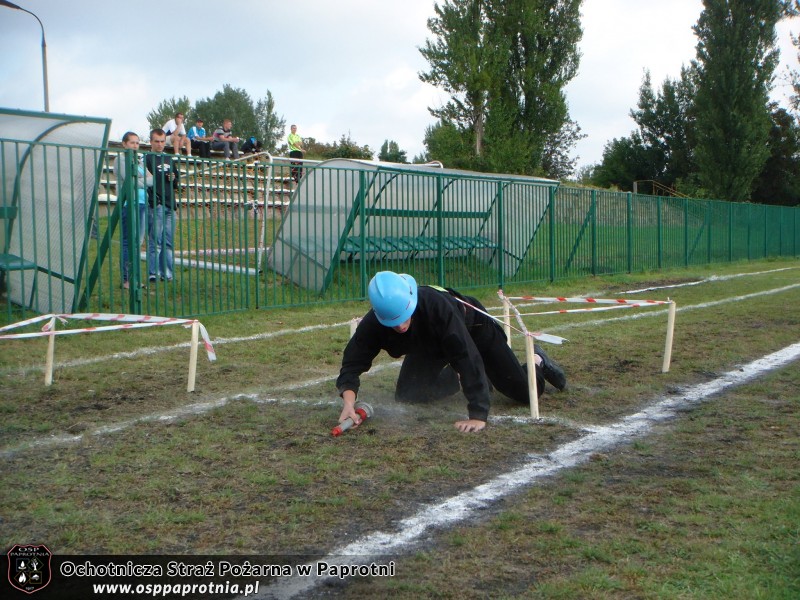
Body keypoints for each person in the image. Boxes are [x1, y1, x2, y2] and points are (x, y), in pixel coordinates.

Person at [336, 271, 567, 433]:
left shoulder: (438, 308)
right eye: (393, 322)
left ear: (411, 301)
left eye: (404, 316)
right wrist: (349, 402)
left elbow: (465, 354)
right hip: (428, 345)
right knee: (409, 394)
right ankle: (475, 378)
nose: (400, 326)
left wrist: (478, 414)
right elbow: (352, 362)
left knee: (523, 392)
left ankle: (537, 360)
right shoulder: (374, 322)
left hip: (473, 330)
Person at [144, 129, 180, 282]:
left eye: (162, 141)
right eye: (157, 141)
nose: (160, 144)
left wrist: (174, 178)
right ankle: (153, 273)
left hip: (170, 204)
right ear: (151, 142)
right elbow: (145, 181)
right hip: (156, 204)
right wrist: (155, 200)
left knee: (168, 242)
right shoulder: (146, 159)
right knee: (155, 241)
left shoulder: (169, 159)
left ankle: (167, 273)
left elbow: (177, 183)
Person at [117, 131, 147, 289]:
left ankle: (135, 278)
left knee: (138, 243)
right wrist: (142, 181)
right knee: (128, 242)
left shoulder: (140, 161)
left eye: (137, 143)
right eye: (132, 142)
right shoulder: (120, 159)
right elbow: (130, 179)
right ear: (124, 144)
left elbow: (151, 179)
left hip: (142, 203)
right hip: (129, 204)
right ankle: (126, 279)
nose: (135, 145)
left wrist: (140, 180)